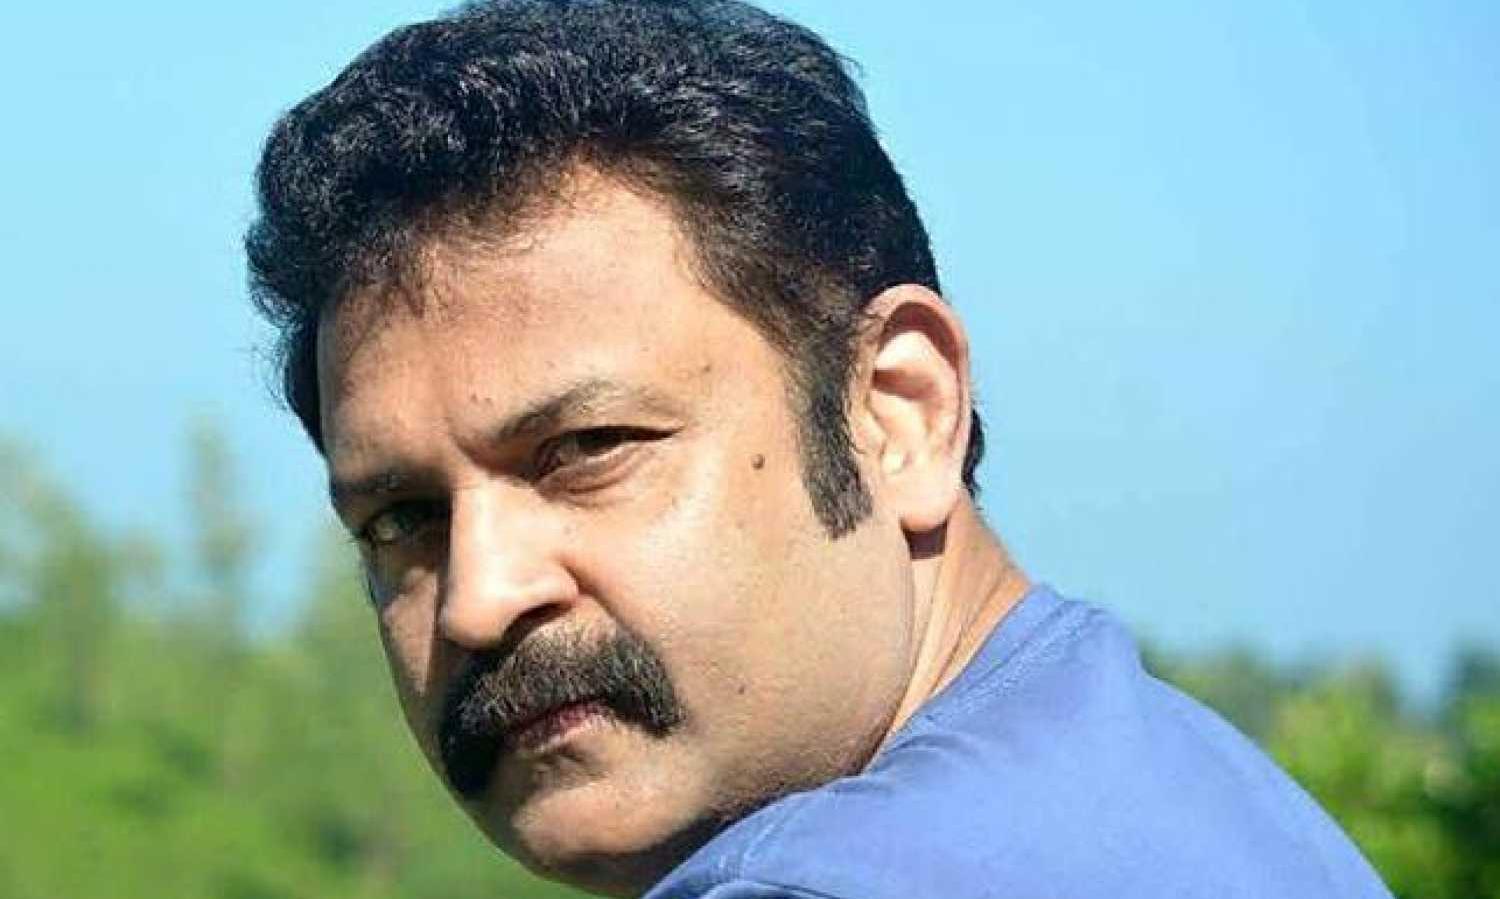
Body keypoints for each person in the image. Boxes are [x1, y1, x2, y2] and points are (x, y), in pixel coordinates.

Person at [245, 1, 1393, 896]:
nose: (478, 599)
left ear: (900, 411)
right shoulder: (1183, 793)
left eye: (587, 447)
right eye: (403, 517)